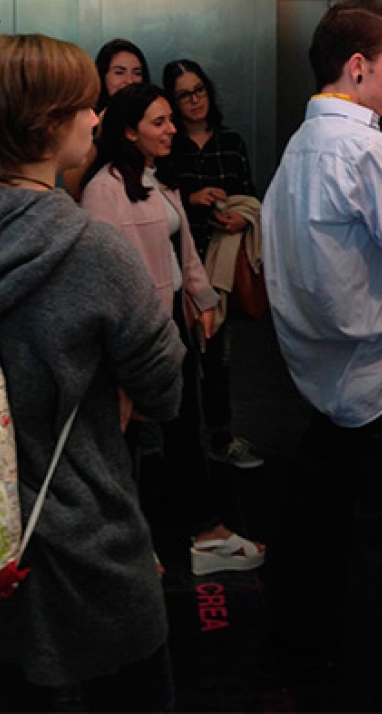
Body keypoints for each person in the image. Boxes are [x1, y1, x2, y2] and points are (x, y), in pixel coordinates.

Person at [0, 33, 186, 712]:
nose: (95, 118)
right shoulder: (95, 250)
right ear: (49, 124)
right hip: (82, 537)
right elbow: (165, 388)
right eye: (84, 106)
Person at [259, 0, 382, 712]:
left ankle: (316, 664)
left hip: (327, 382)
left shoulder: (298, 149)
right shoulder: (367, 149)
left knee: (334, 534)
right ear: (358, 66)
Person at [81, 82, 266, 576]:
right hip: (137, 335)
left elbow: (179, 251)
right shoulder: (104, 190)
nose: (170, 130)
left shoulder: (157, 178)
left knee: (185, 428)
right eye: (158, 122)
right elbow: (104, 275)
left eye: (170, 120)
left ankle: (205, 533)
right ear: (129, 131)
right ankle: (130, 547)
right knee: (129, 440)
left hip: (172, 328)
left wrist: (201, 299)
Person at [162, 58, 264, 469]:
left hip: (224, 257)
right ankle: (181, 445)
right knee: (181, 355)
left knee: (219, 355)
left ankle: (221, 436)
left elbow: (250, 193)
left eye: (199, 90)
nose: (194, 100)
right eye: (184, 95)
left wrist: (242, 217)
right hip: (180, 260)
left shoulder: (231, 141)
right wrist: (192, 199)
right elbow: (158, 200)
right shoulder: (168, 145)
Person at [62, 38, 150, 201]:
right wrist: (102, 130)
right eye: (119, 72)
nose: (130, 81)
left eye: (137, 73)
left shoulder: (153, 118)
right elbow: (72, 188)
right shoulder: (86, 117)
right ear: (103, 76)